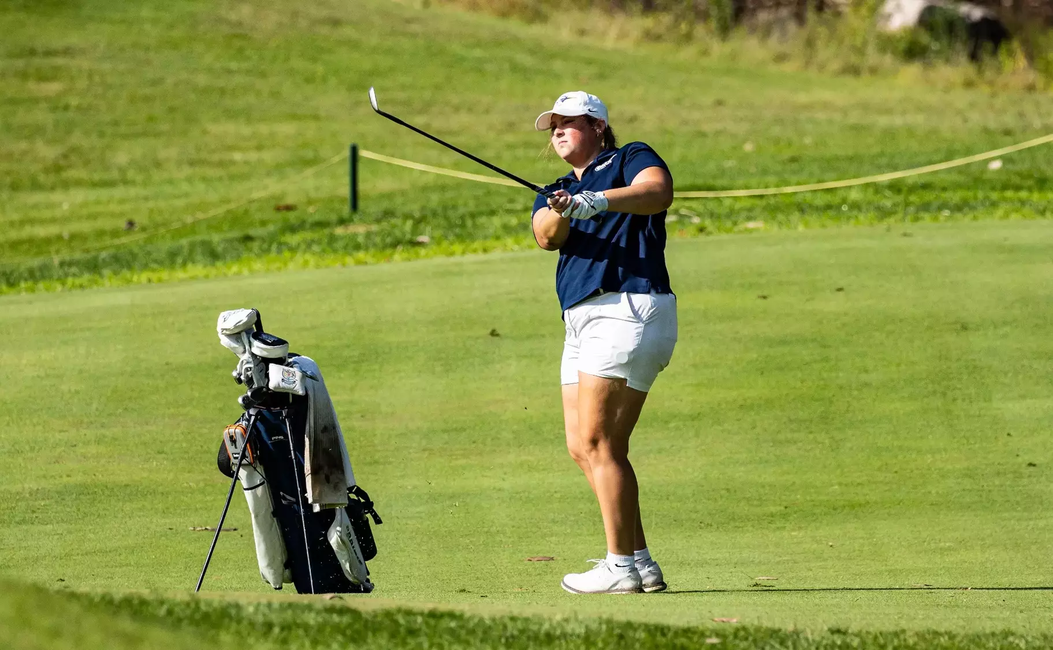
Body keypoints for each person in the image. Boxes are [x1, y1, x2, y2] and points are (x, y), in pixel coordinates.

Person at [530, 91, 678, 594]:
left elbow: (657, 192)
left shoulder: (628, 158)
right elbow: (546, 236)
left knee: (602, 442)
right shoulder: (553, 189)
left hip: (626, 306)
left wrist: (598, 199)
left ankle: (619, 568)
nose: (558, 130)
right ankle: (639, 560)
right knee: (582, 447)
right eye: (554, 125)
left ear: (597, 126)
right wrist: (566, 206)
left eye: (570, 122)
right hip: (582, 320)